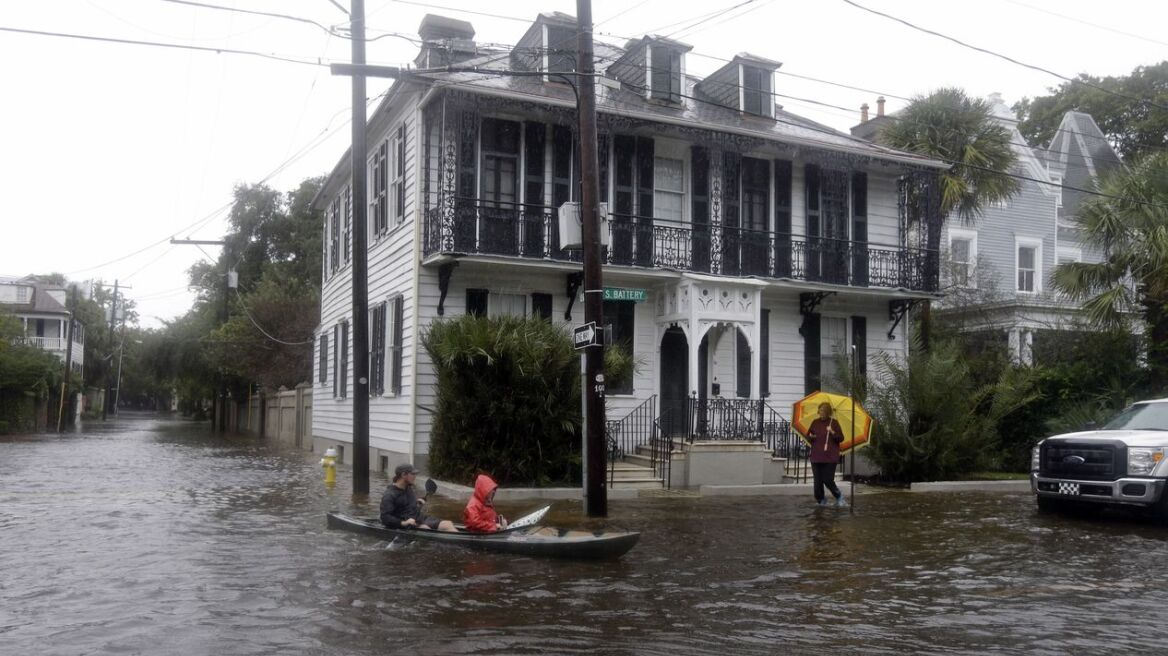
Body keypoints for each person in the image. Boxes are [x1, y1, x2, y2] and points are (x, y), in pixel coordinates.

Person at [380, 463, 456, 532]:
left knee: (448, 524)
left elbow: (405, 504)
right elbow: (385, 517)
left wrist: (417, 502)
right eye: (413, 474)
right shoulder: (389, 495)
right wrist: (404, 523)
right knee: (426, 528)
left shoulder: (408, 487)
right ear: (403, 475)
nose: (415, 477)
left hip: (419, 518)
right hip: (408, 523)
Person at [807, 401, 847, 507]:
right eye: (820, 410)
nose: (822, 412)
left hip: (830, 457)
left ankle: (839, 496)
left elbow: (841, 438)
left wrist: (832, 432)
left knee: (828, 480)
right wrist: (811, 437)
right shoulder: (815, 422)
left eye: (824, 411)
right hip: (816, 456)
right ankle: (821, 501)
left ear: (828, 412)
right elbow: (808, 436)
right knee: (817, 482)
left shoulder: (834, 423)